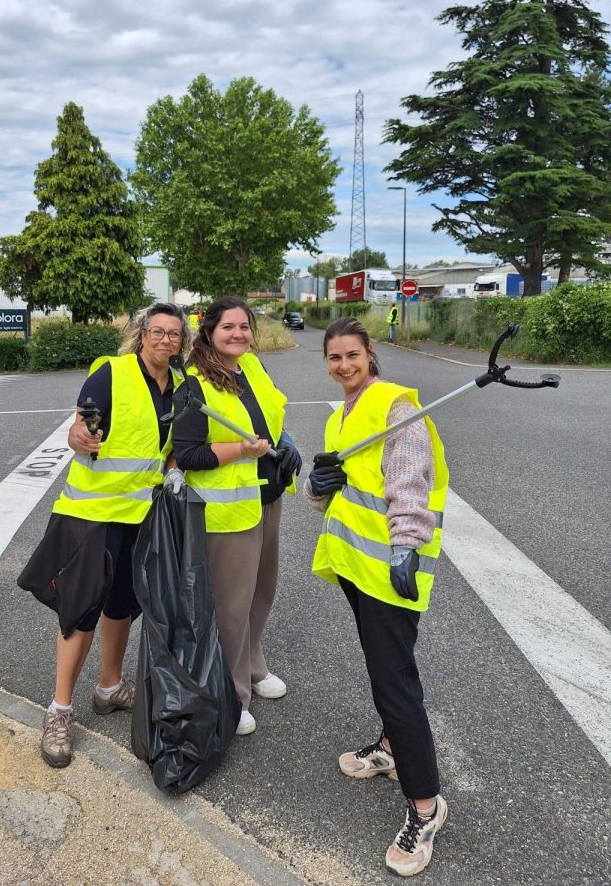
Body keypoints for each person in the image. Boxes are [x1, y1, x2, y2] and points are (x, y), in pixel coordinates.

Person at [305, 317, 449, 877]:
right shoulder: (341, 415)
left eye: (352, 355)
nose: (343, 365)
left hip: (391, 569)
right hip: (355, 567)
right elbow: (341, 486)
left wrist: (407, 545)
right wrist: (318, 489)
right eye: (334, 357)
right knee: (383, 669)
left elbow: (411, 477)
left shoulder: (393, 406)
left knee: (395, 685)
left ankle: (427, 806)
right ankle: (389, 750)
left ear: (370, 356)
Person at [20, 302, 190, 769]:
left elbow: (168, 446)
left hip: (141, 517)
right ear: (141, 334)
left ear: (182, 344)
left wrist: (173, 469)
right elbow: (80, 425)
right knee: (81, 612)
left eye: (174, 335)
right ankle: (58, 711)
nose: (165, 341)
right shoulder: (110, 373)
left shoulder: (177, 388)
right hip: (92, 515)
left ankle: (109, 688)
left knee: (124, 605)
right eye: (157, 331)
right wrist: (78, 436)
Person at [171, 296, 302, 736]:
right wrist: (240, 452)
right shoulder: (194, 383)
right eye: (228, 327)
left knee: (263, 591)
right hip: (228, 511)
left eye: (244, 326)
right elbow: (187, 454)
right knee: (232, 605)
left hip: (269, 495)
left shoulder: (252, 368)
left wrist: (287, 439)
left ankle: (253, 666)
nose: (238, 334)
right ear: (208, 331)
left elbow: (270, 416)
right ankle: (232, 693)